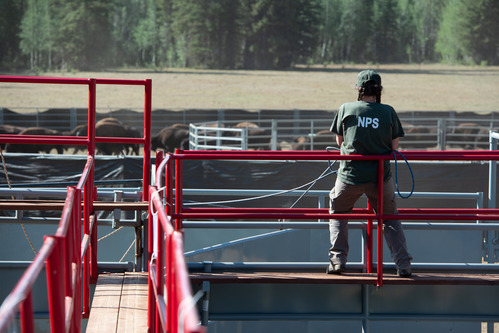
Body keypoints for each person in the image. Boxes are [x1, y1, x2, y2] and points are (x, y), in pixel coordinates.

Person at [327, 69, 412, 277]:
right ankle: (403, 265)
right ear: (379, 89)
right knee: (390, 218)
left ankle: (338, 260)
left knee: (338, 212)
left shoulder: (346, 108)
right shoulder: (388, 111)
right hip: (380, 178)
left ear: (358, 88)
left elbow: (339, 142)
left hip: (349, 176)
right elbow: (394, 145)